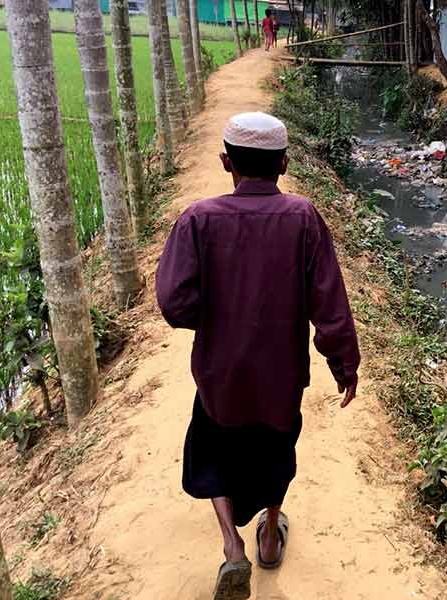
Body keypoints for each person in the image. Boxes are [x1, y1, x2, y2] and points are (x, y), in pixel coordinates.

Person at [156, 112, 360, 600]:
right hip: (281, 377)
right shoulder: (303, 218)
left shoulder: (199, 219)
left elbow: (173, 302)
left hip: (219, 378)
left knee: (213, 454)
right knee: (275, 454)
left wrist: (215, 319)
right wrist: (343, 362)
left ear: (226, 162)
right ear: (285, 164)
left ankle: (232, 549)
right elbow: (328, 301)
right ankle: (270, 535)